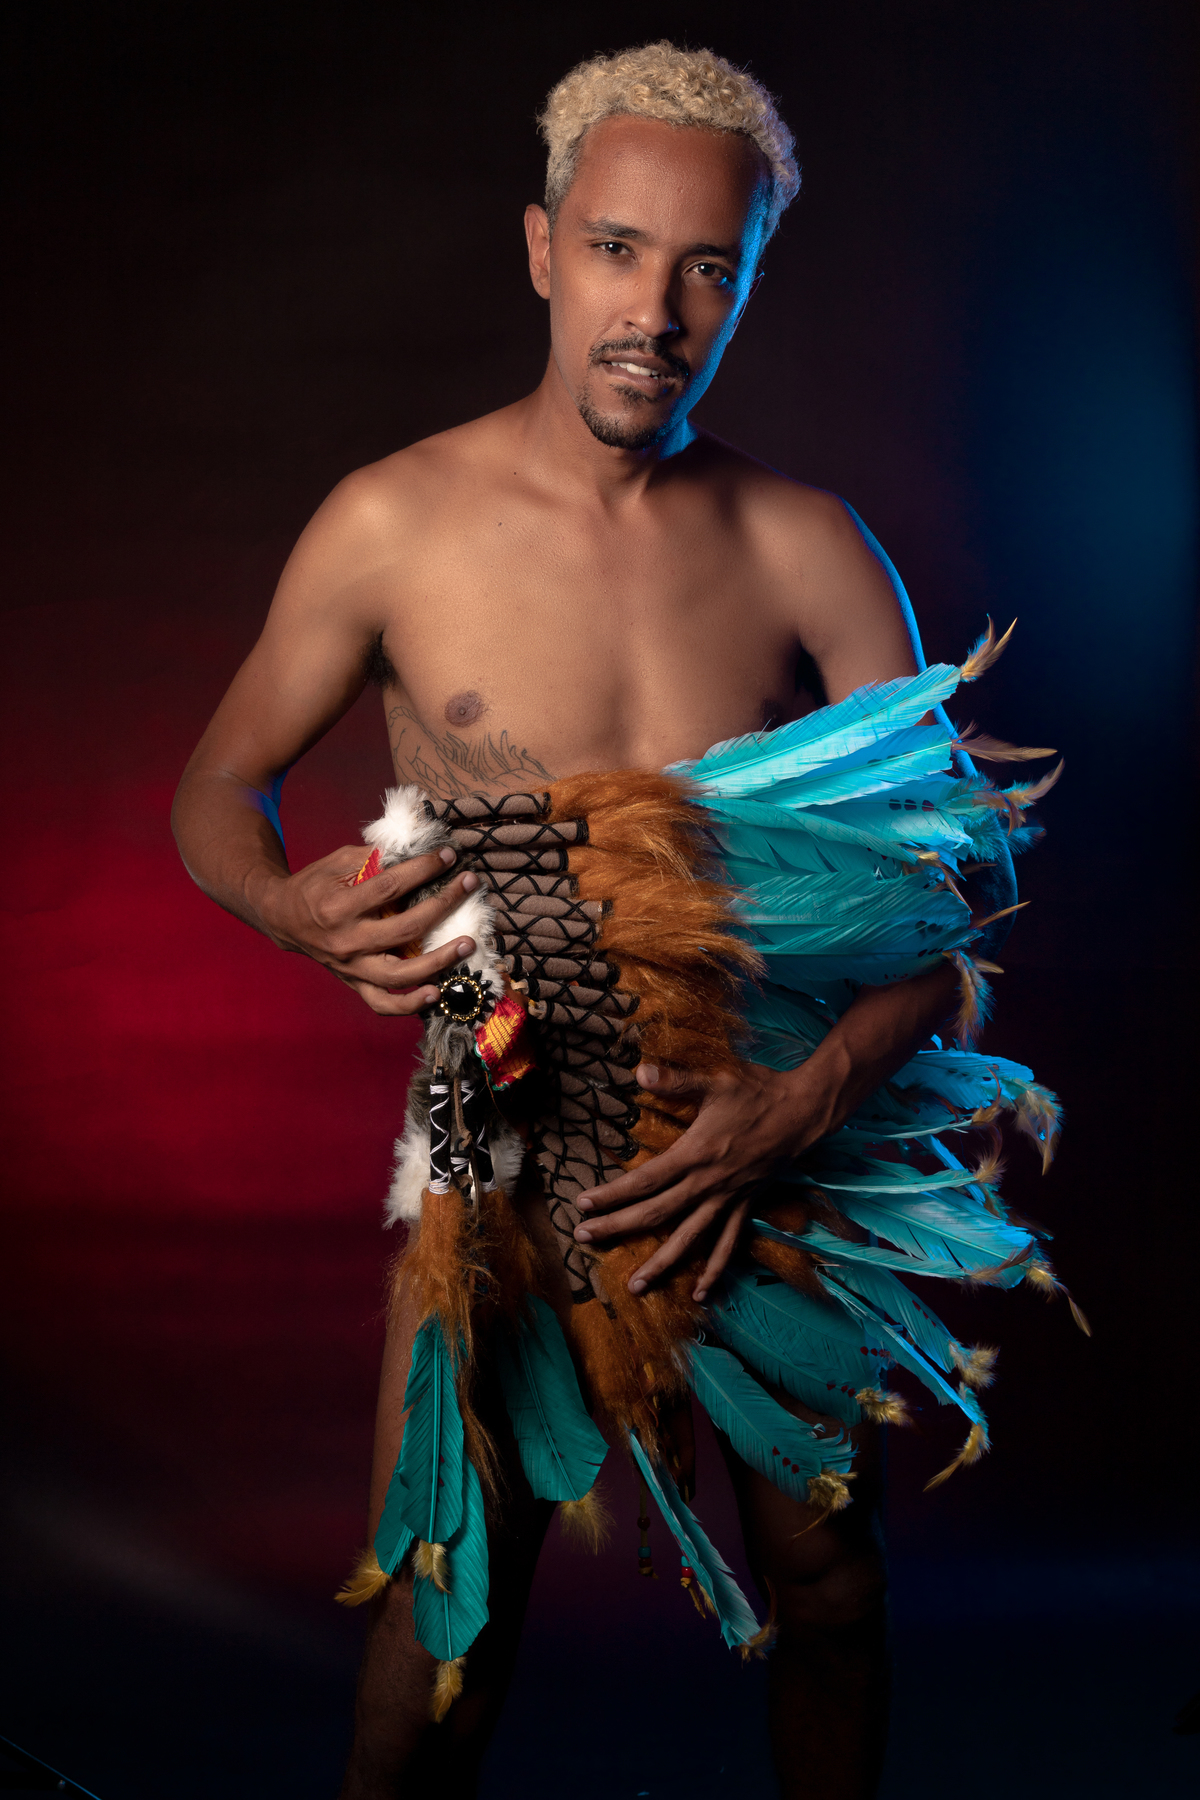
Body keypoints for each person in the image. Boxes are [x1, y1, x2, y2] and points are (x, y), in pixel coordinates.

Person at [173, 42, 1039, 1800]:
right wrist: (286, 907)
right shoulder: (392, 522)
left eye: (710, 265)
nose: (657, 310)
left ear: (751, 281)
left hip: (769, 1118)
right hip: (499, 1108)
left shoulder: (810, 549)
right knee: (448, 1611)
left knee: (833, 1589)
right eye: (619, 250)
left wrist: (801, 1102)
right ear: (542, 248)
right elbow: (217, 788)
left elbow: (951, 918)